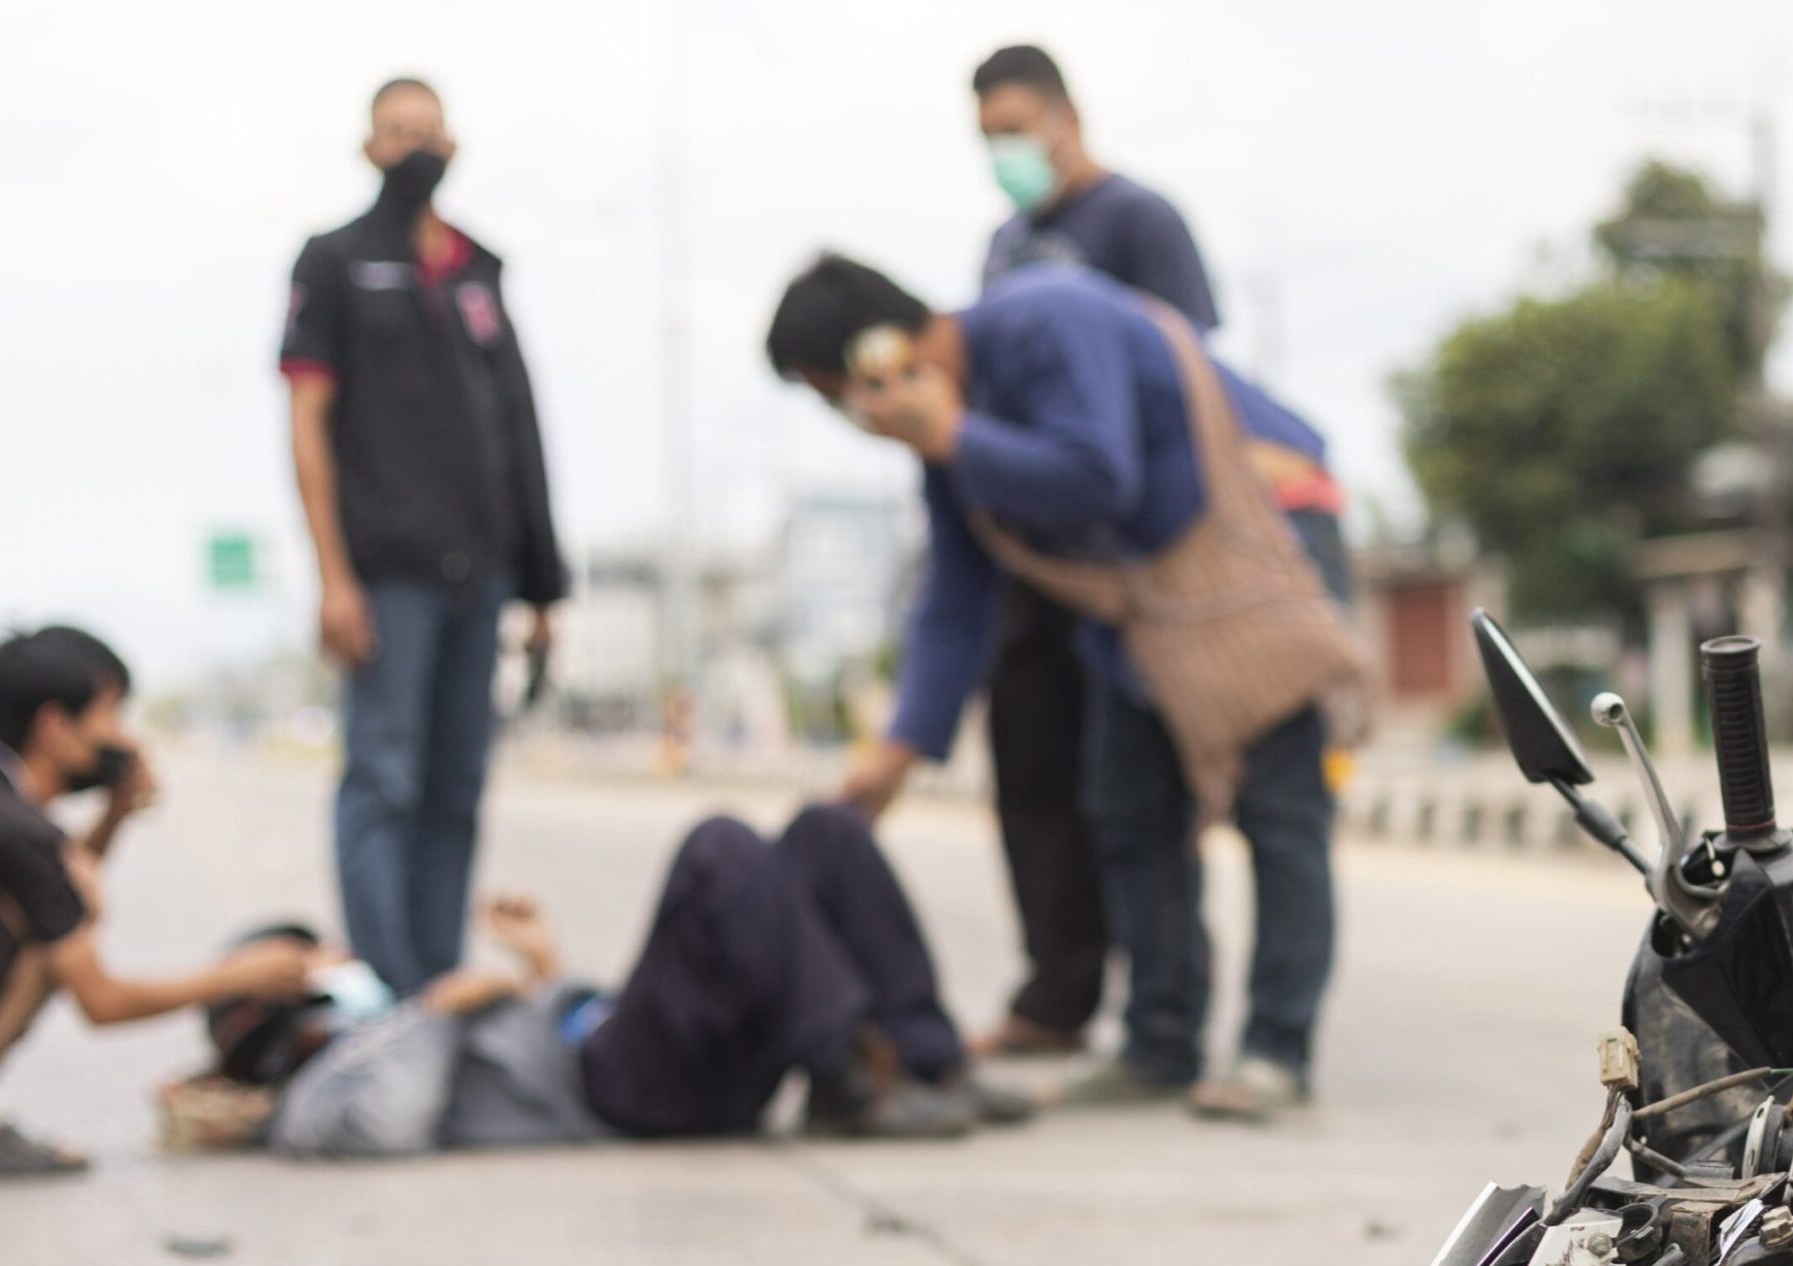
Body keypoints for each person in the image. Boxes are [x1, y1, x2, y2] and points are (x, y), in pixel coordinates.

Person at [766, 254, 1362, 1122]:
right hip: (1147, 598)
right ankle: (1160, 1048)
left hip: (1256, 548)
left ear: (879, 348)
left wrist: (956, 439)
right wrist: (897, 754)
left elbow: (1099, 468)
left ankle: (1277, 1050)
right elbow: (956, 599)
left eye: (835, 391)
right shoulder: (945, 435)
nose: (852, 415)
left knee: (1279, 808)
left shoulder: (1045, 319)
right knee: (1127, 809)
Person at [238, 804, 1027, 1159]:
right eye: (302, 963)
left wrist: (544, 970)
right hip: (617, 1094)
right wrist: (434, 1013)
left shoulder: (381, 1027)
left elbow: (549, 1034)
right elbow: (389, 1127)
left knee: (825, 832)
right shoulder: (322, 1081)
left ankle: (925, 1062)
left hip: (628, 1047)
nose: (329, 961)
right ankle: (849, 1077)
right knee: (720, 849)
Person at [966, 42, 1224, 1061]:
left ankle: (1163, 1008)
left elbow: (1191, 371)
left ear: (1065, 119)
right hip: (1035, 552)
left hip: (1128, 550)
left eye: (1016, 128)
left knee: (1133, 794)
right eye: (986, 135)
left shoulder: (1136, 219)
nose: (1004, 152)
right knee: (1029, 770)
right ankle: (1057, 989)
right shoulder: (1000, 244)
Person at [282, 75, 567, 996]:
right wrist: (334, 575)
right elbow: (307, 420)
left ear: (456, 146)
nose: (414, 148)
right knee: (384, 779)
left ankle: (438, 984)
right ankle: (386, 991)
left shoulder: (481, 270)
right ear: (368, 148)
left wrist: (543, 581)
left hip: (479, 574)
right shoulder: (334, 261)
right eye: (396, 133)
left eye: (428, 132)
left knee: (455, 790)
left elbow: (517, 425)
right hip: (386, 575)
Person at [0, 627, 323, 1180]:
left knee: (58, 908)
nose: (122, 739)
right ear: (53, 726)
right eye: (111, 716)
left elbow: (61, 884)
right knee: (55, 934)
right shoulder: (8, 826)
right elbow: (100, 1000)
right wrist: (237, 976)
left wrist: (116, 814)